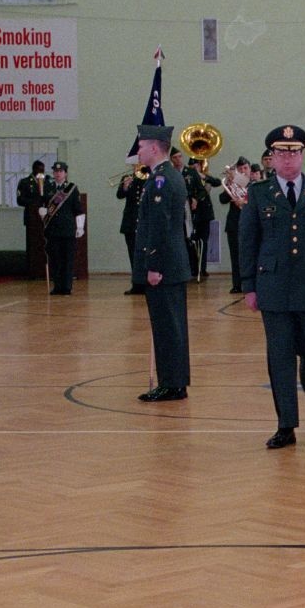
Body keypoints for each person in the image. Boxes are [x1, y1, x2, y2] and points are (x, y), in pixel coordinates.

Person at [241, 125, 305, 450]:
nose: (287, 159)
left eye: (294, 152)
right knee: (280, 356)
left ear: (302, 155)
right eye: (281, 153)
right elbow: (247, 242)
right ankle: (286, 424)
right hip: (273, 286)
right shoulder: (259, 193)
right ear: (271, 158)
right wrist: (248, 286)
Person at [132, 125, 192, 402]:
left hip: (164, 266)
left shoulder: (161, 180)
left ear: (155, 147)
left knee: (168, 326)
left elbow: (159, 226)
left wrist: (153, 265)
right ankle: (174, 381)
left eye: (141, 146)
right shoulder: (166, 176)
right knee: (171, 325)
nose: (138, 151)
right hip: (171, 264)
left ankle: (172, 383)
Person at [40, 161, 84, 295]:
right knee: (55, 259)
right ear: (53, 173)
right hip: (52, 230)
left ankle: (66, 287)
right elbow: (44, 205)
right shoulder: (47, 188)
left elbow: (78, 209)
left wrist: (80, 227)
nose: (58, 174)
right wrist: (42, 211)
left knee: (67, 259)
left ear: (65, 173)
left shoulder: (71, 188)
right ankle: (57, 286)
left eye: (61, 171)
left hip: (67, 229)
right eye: (56, 171)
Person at [219, 156, 252, 295]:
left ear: (250, 169)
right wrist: (231, 182)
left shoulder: (256, 184)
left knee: (251, 255)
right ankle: (237, 284)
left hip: (251, 224)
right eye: (240, 169)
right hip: (234, 224)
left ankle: (251, 284)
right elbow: (222, 199)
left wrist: (243, 201)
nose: (243, 171)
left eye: (245, 168)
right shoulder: (232, 183)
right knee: (235, 256)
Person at [185, 157, 219, 282]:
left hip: (205, 214)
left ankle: (202, 268)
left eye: (196, 166)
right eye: (192, 167)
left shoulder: (206, 177)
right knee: (191, 241)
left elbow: (217, 182)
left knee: (203, 241)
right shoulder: (187, 178)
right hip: (191, 214)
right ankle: (193, 268)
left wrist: (204, 176)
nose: (194, 169)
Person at [116, 166, 147, 295]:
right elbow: (120, 195)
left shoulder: (151, 177)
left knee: (145, 255)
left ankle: (147, 283)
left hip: (145, 222)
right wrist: (125, 187)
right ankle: (137, 284)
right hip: (130, 222)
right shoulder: (128, 178)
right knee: (133, 254)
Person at [17, 160, 48, 274]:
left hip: (45, 219)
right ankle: (32, 271)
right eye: (40, 170)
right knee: (32, 247)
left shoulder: (47, 181)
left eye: (43, 170)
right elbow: (20, 200)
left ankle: (45, 269)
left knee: (45, 244)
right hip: (32, 219)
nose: (42, 172)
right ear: (34, 170)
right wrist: (34, 203)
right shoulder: (25, 182)